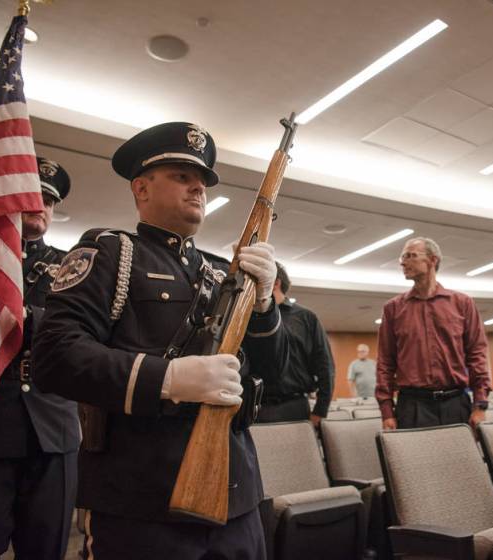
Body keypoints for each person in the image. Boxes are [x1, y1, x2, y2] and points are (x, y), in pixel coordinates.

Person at [32, 122, 287, 559]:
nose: (197, 189)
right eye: (181, 176)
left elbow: (270, 375)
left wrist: (264, 304)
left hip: (235, 489)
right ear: (141, 188)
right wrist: (166, 378)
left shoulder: (220, 273)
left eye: (202, 181)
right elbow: (55, 355)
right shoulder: (110, 252)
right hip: (142, 496)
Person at [0, 158, 79, 560]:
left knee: (46, 548)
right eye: (35, 197)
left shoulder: (74, 265)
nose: (42, 208)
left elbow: (78, 336)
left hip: (53, 426)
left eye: (51, 202)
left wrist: (20, 316)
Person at [376, 236, 491, 430]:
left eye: (410, 256)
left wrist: (480, 404)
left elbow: (477, 354)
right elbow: (385, 362)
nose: (403, 262)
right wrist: (387, 410)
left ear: (432, 260)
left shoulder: (462, 303)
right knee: (415, 461)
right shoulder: (393, 309)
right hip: (412, 407)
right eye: (402, 258)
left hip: (455, 404)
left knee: (460, 460)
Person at [255, 262, 334, 427]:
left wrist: (320, 410)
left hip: (294, 407)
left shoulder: (306, 318)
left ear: (275, 282)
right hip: (256, 408)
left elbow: (325, 367)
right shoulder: (248, 317)